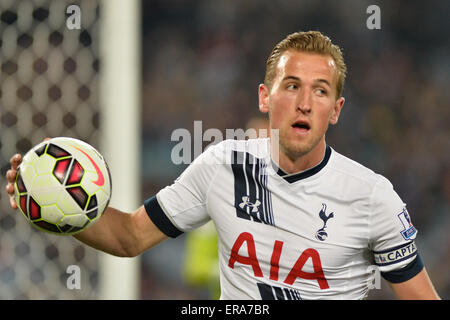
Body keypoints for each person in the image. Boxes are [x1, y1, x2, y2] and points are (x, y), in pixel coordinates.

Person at [5, 31, 440, 299]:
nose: (305, 102)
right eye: (291, 86)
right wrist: (52, 204)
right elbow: (129, 236)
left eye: (320, 91)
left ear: (337, 109)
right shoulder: (220, 166)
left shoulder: (371, 196)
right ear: (265, 98)